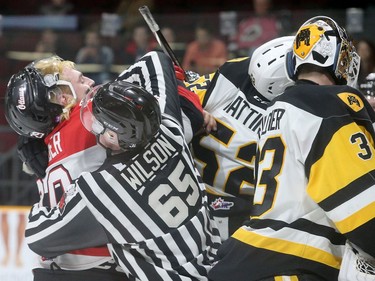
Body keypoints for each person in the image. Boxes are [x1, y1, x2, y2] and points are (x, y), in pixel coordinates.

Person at [5, 50, 209, 280]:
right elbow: (154, 63)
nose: (92, 82)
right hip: (103, 268)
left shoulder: (47, 147)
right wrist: (183, 91)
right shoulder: (95, 114)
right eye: (82, 80)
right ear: (63, 98)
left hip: (53, 266)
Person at [208, 16, 375, 281]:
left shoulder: (277, 109)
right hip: (292, 264)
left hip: (249, 257)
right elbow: (364, 213)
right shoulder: (329, 107)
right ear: (340, 59)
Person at [184, 36, 294, 241]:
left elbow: (174, 99)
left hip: (192, 200)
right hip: (253, 220)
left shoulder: (229, 77)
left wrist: (190, 107)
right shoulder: (293, 116)